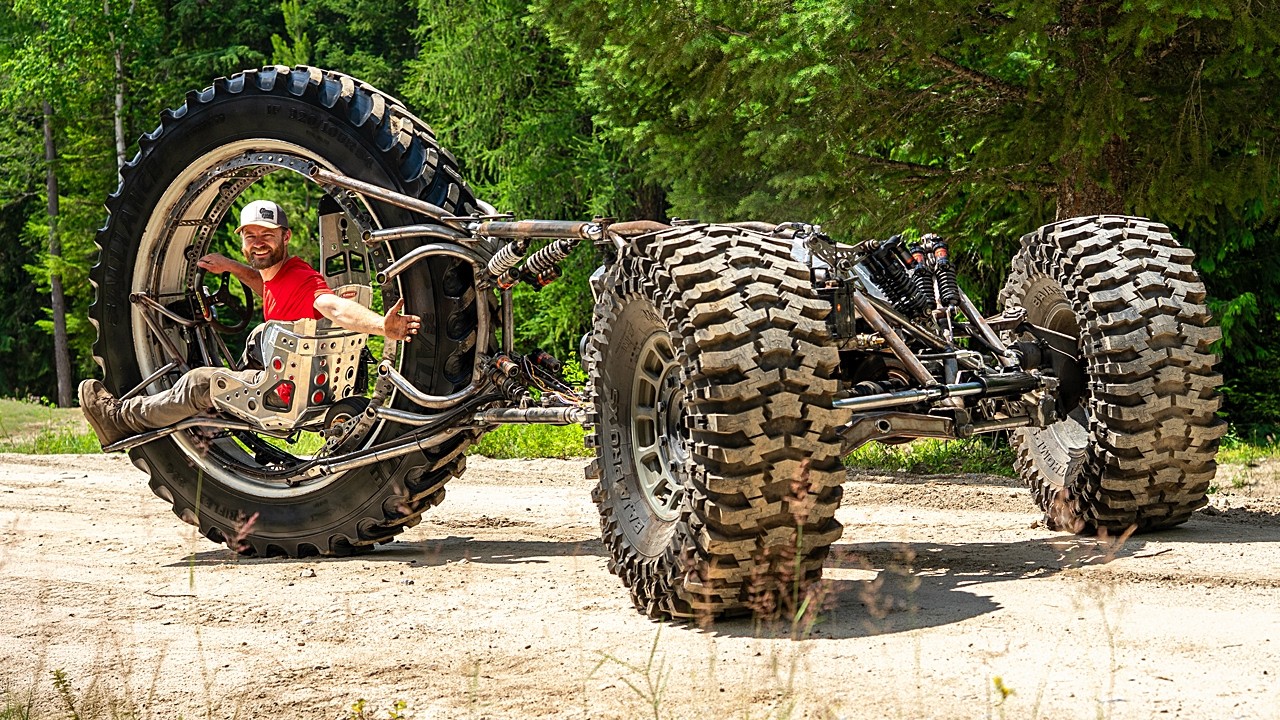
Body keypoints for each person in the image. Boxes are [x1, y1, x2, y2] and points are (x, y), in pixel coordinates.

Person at [79, 199, 421, 447]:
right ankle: (220, 411)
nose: (258, 243)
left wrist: (383, 327)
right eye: (250, 236)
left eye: (267, 235)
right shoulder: (282, 275)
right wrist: (230, 266)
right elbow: (264, 284)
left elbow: (333, 306)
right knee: (259, 334)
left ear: (285, 237)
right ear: (243, 241)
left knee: (197, 383)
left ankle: (120, 419)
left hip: (277, 396)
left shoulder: (303, 280)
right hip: (301, 387)